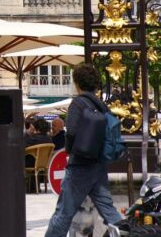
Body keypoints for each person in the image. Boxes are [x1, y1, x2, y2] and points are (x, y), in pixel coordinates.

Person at [44, 64, 123, 237]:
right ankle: (128, 233)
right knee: (108, 210)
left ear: (77, 83)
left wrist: (69, 149)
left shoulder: (78, 103)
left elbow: (71, 132)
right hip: (98, 165)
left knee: (63, 213)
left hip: (80, 166)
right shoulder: (102, 106)